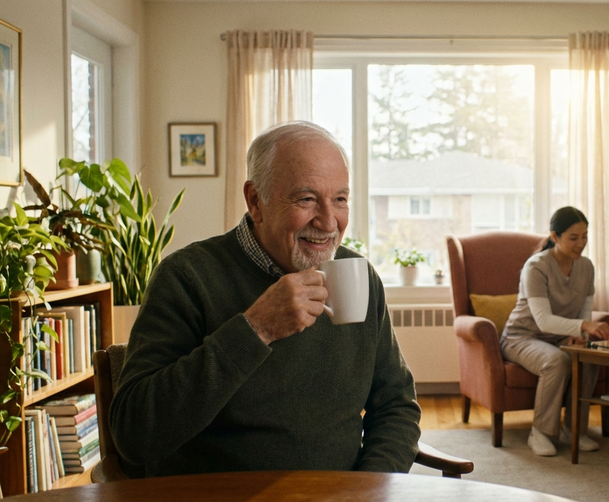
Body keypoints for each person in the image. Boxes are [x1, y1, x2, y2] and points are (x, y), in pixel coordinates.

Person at [109, 121, 421, 477]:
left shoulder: (359, 277)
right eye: (306, 199)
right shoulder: (186, 277)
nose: (328, 221)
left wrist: (367, 487)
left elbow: (397, 407)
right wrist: (254, 330)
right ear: (256, 201)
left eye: (340, 199)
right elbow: (134, 436)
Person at [500, 206, 609, 457]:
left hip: (559, 336)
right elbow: (542, 320)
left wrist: (582, 336)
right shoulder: (536, 267)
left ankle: (574, 430)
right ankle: (540, 433)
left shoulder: (586, 267)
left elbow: (584, 311)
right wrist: (584, 326)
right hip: (522, 336)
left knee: (588, 357)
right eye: (573, 238)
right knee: (557, 361)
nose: (580, 244)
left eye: (584, 236)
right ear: (555, 237)